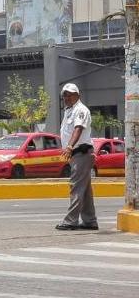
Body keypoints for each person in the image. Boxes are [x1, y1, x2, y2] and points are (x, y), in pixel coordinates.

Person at [55, 83, 97, 231]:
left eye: (70, 94)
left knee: (76, 187)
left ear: (77, 95)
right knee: (84, 190)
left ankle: (70, 221)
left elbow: (78, 129)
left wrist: (69, 146)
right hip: (77, 154)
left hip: (82, 152)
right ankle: (90, 221)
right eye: (65, 94)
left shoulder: (80, 110)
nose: (67, 97)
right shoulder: (69, 111)